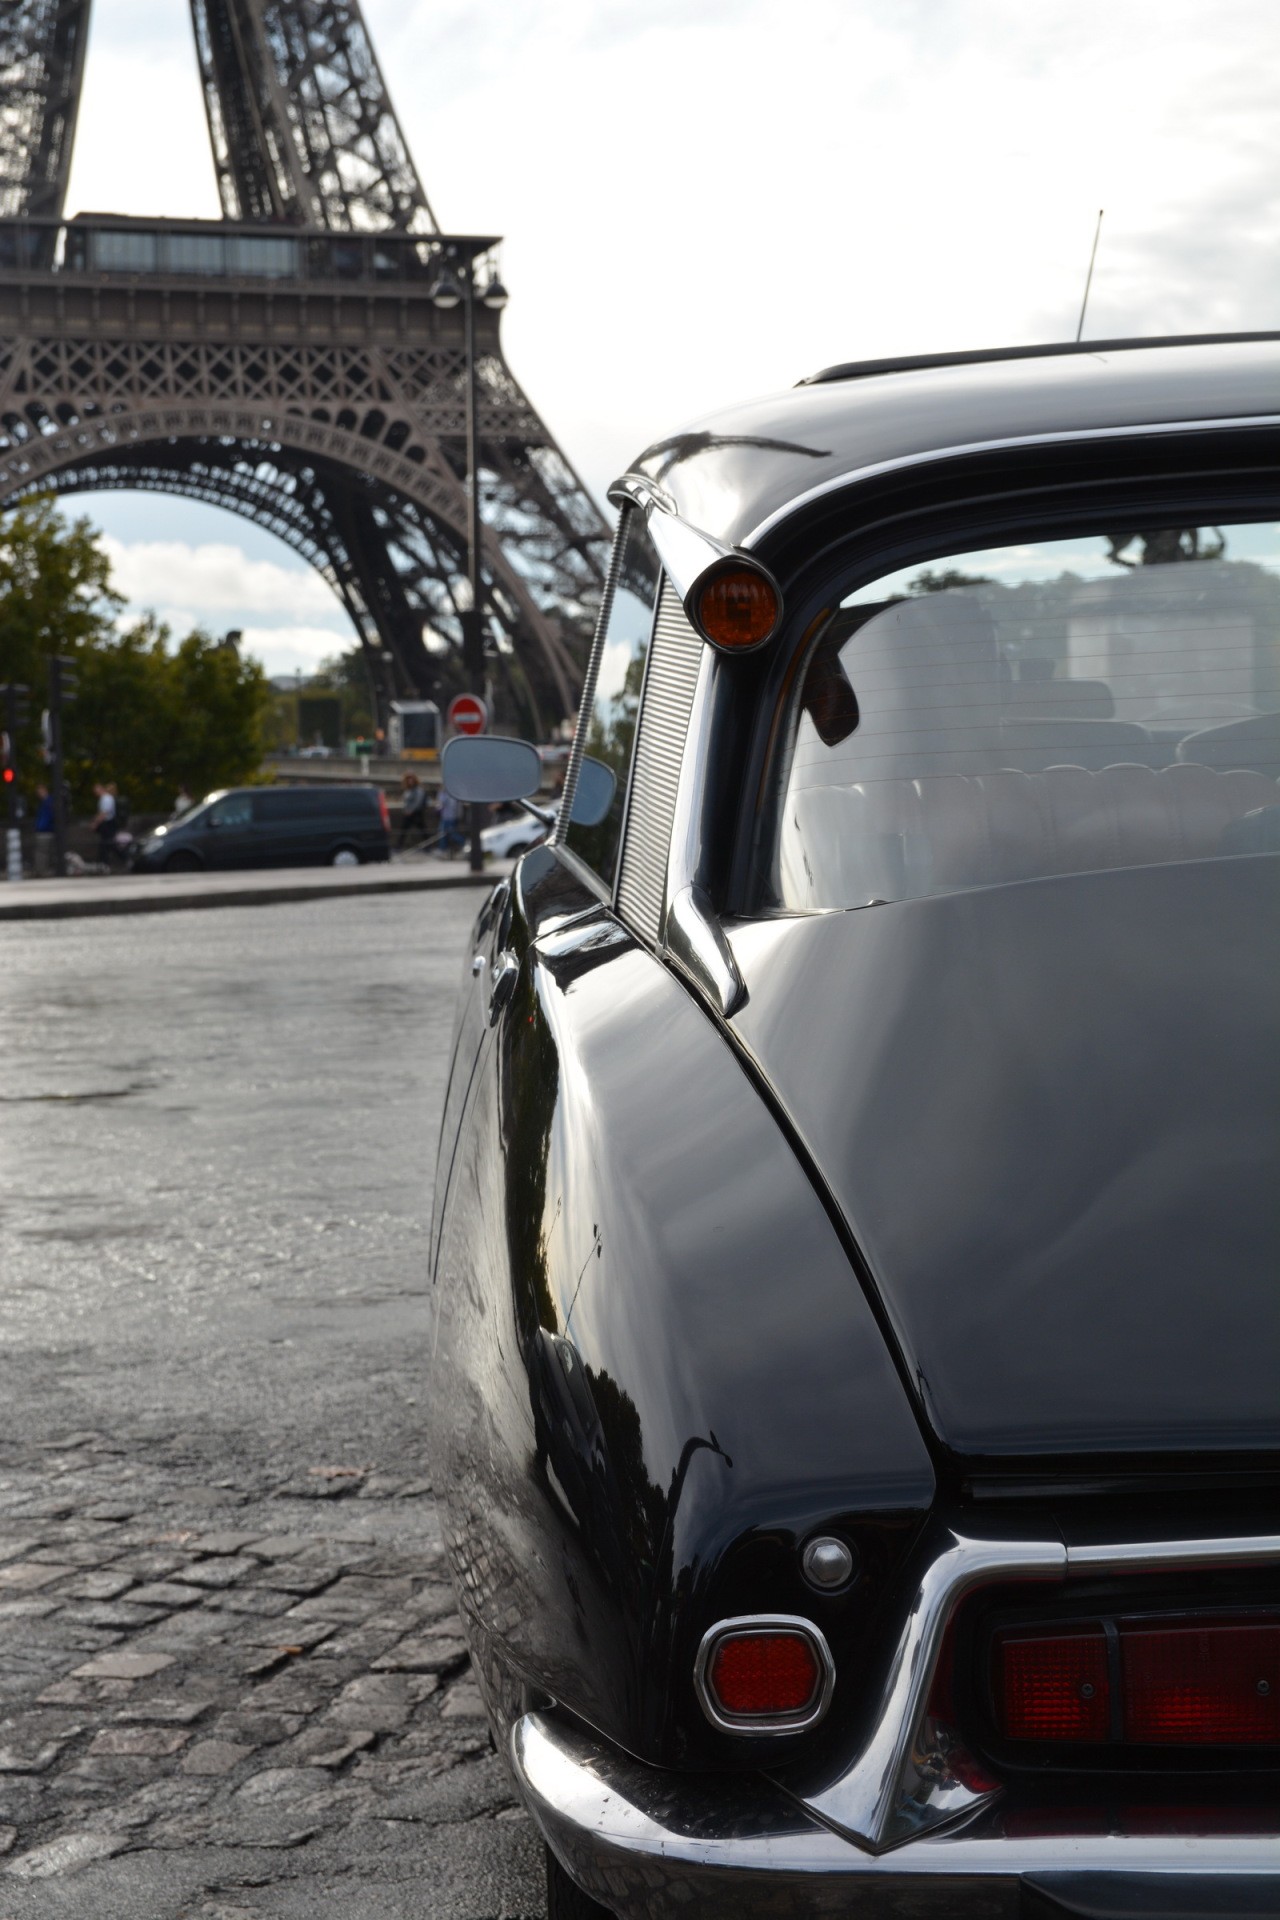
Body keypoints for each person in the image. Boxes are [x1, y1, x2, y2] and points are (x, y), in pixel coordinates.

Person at [89, 782, 117, 867]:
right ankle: (103, 862)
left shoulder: (106, 799)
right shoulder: (104, 798)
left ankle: (105, 863)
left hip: (108, 824)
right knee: (106, 843)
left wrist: (95, 823)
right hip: (107, 824)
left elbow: (104, 813)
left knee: (107, 843)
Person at [398, 772, 427, 850]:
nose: (410, 781)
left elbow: (418, 802)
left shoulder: (418, 790)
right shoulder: (408, 790)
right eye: (408, 780)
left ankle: (428, 846)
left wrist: (410, 810)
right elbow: (405, 801)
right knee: (403, 830)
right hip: (408, 813)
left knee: (422, 830)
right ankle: (399, 846)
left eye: (411, 779)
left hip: (416, 813)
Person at [33, 783, 55, 877]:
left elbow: (46, 817)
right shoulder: (46, 802)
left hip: (44, 830)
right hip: (45, 829)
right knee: (44, 852)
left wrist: (40, 827)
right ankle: (42, 871)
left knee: (43, 852)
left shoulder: (48, 802)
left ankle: (42, 871)